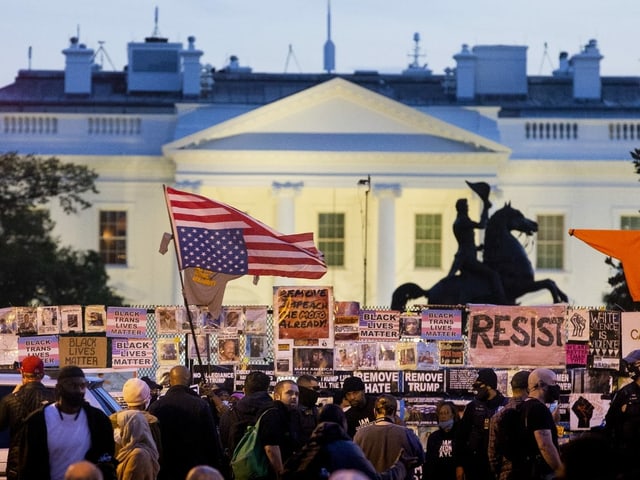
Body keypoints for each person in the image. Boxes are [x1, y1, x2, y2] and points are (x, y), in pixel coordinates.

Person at [19, 365, 116, 480]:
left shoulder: (98, 420)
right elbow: (28, 467)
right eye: (73, 386)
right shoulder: (38, 421)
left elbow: (106, 460)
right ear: (59, 388)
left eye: (82, 386)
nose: (79, 391)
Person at [282, 403, 409, 480]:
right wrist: (401, 465)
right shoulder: (346, 448)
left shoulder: (308, 448)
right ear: (343, 423)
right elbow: (373, 478)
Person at [149, 365, 222, 480]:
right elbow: (211, 442)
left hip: (166, 469)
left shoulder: (156, 407)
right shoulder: (200, 405)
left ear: (171, 381)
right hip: (194, 468)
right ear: (189, 380)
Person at [447, 182, 508, 305]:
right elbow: (482, 225)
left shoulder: (462, 221)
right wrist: (485, 207)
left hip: (467, 255)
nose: (468, 208)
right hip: (467, 259)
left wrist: (478, 248)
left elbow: (466, 242)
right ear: (462, 208)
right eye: (466, 206)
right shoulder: (462, 221)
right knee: (494, 275)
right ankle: (502, 302)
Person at [0, 355, 55, 480]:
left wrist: (13, 395)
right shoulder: (54, 400)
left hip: (18, 468)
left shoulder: (11, 400)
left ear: (22, 374)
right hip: (46, 466)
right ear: (42, 375)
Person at [353, 394, 424, 479]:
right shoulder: (407, 434)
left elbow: (354, 464)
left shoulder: (360, 434)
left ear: (375, 411)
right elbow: (420, 459)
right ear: (394, 412)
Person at [455, 367, 507, 480]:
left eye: (479, 386)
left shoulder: (506, 406)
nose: (476, 390)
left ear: (488, 386)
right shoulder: (472, 407)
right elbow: (461, 438)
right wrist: (459, 465)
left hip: (499, 465)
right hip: (475, 465)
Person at [219, 370, 273, 468]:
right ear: (267, 389)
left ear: (244, 390)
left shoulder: (229, 414)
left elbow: (223, 442)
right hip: (265, 470)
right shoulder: (273, 412)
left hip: (237, 470)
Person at [518, 368, 563, 480]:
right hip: (541, 473)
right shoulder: (539, 409)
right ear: (541, 384)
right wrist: (560, 469)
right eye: (553, 383)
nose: (556, 387)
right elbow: (544, 445)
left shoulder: (524, 406)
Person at [604, 348, 640, 480]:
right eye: (629, 364)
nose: (630, 367)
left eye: (634, 364)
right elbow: (610, 421)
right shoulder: (625, 392)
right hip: (627, 455)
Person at [488, 370, 530, 480]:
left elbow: (492, 454)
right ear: (528, 388)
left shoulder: (497, 416)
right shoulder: (533, 413)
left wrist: (498, 472)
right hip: (530, 472)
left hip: (506, 474)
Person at [258, 379, 304, 478]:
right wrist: (281, 474)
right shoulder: (273, 413)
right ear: (277, 396)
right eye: (289, 393)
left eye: (297, 394)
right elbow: (270, 448)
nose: (294, 397)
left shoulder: (291, 414)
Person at [110, 377, 162, 460]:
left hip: (117, 470)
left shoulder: (113, 421)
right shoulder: (151, 422)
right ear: (146, 400)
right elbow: (158, 453)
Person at [114, 410, 160, 480]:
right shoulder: (130, 451)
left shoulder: (138, 455)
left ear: (130, 428)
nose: (117, 430)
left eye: (120, 426)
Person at [423, 401, 459, 480]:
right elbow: (429, 463)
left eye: (446, 413)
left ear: (453, 415)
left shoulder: (460, 435)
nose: (443, 416)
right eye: (441, 413)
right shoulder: (433, 437)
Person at [297, 374, 320, 442]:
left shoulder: (314, 408)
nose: (317, 392)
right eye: (315, 388)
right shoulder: (294, 410)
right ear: (303, 389)